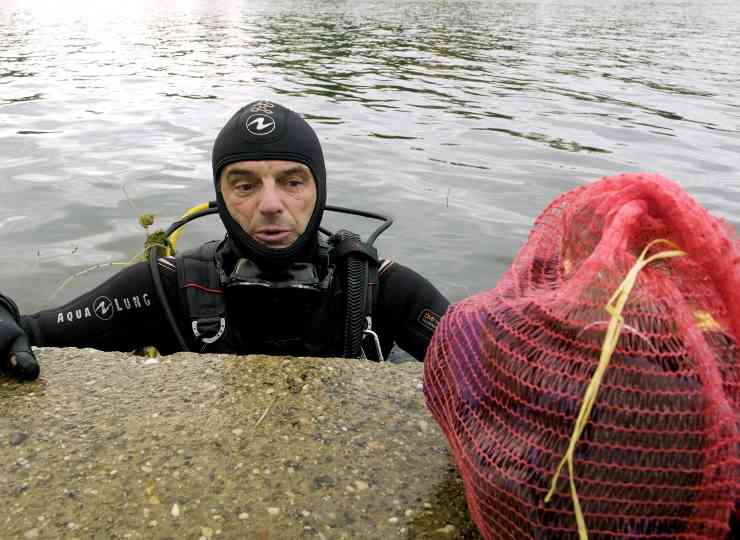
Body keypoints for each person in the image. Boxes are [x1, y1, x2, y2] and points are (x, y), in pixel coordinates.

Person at [0, 100, 449, 381]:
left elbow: (491, 361)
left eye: (292, 182)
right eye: (245, 185)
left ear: (320, 189)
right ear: (220, 195)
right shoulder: (169, 287)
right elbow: (32, 330)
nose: (271, 204)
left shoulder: (381, 290)